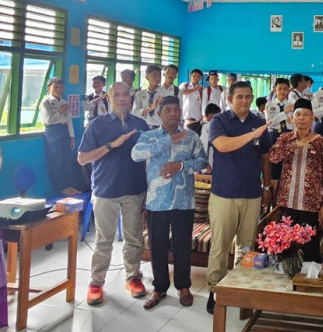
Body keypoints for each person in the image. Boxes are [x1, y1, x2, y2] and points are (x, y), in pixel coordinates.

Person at [131, 96, 207, 309]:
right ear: (159, 114)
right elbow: (136, 154)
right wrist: (169, 141)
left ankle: (183, 287)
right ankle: (159, 288)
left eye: (177, 109)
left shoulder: (191, 137)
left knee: (183, 245)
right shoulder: (149, 136)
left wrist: (180, 166)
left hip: (184, 201)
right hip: (157, 201)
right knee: (157, 245)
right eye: (169, 110)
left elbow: (202, 161)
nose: (174, 113)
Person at [77, 82, 149, 305]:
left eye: (126, 94)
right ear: (108, 98)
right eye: (116, 95)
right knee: (103, 240)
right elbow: (82, 158)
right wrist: (111, 145)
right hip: (105, 191)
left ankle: (133, 277)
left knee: (134, 238)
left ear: (131, 97)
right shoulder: (97, 125)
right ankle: (96, 283)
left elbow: (148, 158)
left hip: (134, 190)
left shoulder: (140, 124)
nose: (122, 99)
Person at [205, 81, 272, 314]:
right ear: (230, 99)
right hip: (224, 194)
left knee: (247, 246)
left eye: (248, 96)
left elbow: (265, 156)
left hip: (252, 193)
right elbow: (223, 146)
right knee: (220, 246)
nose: (244, 101)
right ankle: (215, 290)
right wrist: (252, 135)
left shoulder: (259, 122)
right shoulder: (219, 121)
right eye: (239, 97)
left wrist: (267, 187)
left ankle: (242, 287)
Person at [268, 98, 323, 262]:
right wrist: (296, 145)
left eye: (306, 114)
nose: (301, 118)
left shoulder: (321, 142)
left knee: (309, 250)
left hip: (311, 205)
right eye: (298, 114)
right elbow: (273, 157)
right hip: (287, 202)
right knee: (285, 248)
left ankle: (307, 277)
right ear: (292, 118)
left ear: (312, 117)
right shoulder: (285, 138)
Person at [41, 77, 87, 196]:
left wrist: (72, 137)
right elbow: (48, 120)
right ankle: (61, 187)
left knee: (67, 160)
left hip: (64, 130)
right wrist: (60, 111)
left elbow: (69, 121)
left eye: (61, 88)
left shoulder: (63, 102)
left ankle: (69, 185)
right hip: (52, 131)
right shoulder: (46, 102)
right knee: (56, 161)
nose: (59, 90)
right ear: (49, 88)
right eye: (55, 87)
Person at [266, 78, 294, 182]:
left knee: (288, 162)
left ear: (289, 90)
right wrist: (284, 112)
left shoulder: (292, 105)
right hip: (274, 136)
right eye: (280, 89)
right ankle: (273, 186)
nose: (282, 91)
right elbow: (270, 122)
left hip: (289, 135)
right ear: (275, 90)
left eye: (285, 89)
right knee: (274, 163)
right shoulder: (269, 105)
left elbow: (294, 123)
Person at [132, 64, 163, 128]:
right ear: (147, 77)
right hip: (144, 126)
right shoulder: (140, 94)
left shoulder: (164, 94)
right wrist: (151, 108)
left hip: (160, 127)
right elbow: (135, 112)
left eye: (159, 76)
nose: (158, 78)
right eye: (154, 75)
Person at [180, 68, 203, 133]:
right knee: (183, 135)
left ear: (200, 78)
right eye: (194, 75)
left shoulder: (201, 89)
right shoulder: (185, 85)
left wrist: (202, 115)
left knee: (195, 135)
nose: (195, 77)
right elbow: (181, 92)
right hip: (184, 116)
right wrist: (195, 89)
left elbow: (202, 103)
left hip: (196, 117)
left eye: (198, 76)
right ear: (190, 75)